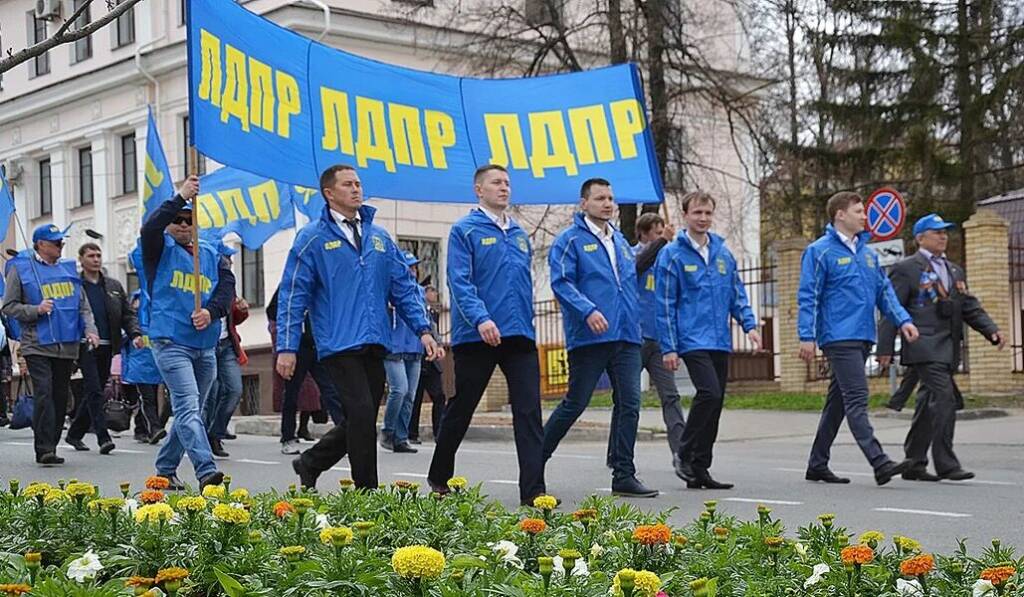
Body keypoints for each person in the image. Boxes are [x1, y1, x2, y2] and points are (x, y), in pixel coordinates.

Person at [278, 164, 441, 490]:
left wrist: (424, 330)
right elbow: (293, 295)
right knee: (362, 413)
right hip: (338, 343)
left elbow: (403, 288)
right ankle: (367, 491)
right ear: (329, 193)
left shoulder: (379, 237)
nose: (356, 189)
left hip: (376, 340)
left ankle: (310, 462)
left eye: (358, 183)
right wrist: (287, 347)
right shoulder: (312, 238)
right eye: (348, 184)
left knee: (360, 418)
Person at [426, 164, 547, 505]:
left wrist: (527, 321)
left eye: (507, 182)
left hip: (519, 335)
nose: (504, 187)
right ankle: (439, 476)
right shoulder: (464, 230)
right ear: (479, 190)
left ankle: (534, 491)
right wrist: (481, 318)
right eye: (496, 182)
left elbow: (522, 284)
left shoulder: (519, 234)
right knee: (462, 407)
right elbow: (459, 281)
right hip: (477, 335)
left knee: (529, 411)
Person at [543, 178, 658, 498]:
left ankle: (624, 474)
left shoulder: (619, 241)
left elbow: (628, 284)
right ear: (584, 204)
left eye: (610, 198)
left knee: (630, 403)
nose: (607, 203)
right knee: (575, 404)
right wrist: (587, 310)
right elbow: (562, 283)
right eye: (599, 198)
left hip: (626, 336)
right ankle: (534, 462)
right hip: (590, 337)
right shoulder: (570, 240)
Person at [798, 191, 919, 486]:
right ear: (840, 215)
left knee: (838, 403)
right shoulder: (819, 251)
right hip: (838, 336)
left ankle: (817, 464)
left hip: (863, 335)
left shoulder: (867, 254)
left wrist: (903, 320)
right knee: (856, 397)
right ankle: (879, 462)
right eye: (859, 211)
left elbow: (884, 293)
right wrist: (806, 336)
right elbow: (808, 295)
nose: (865, 216)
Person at [877, 213, 1003, 482]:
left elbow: (968, 306)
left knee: (927, 403)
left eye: (945, 231)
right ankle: (946, 464)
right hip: (922, 345)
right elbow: (891, 308)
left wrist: (991, 330)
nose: (943, 236)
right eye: (937, 232)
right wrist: (884, 347)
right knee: (945, 398)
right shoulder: (906, 268)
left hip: (947, 347)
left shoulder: (954, 270)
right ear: (920, 238)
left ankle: (914, 463)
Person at [656, 192, 762, 490]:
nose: (703, 218)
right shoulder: (672, 255)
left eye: (707, 213)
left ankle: (700, 468)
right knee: (709, 393)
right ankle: (684, 452)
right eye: (697, 213)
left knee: (716, 404)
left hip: (719, 340)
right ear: (685, 215)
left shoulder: (723, 254)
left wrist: (750, 326)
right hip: (691, 339)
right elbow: (665, 304)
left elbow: (736, 295)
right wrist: (669, 347)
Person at [141, 175, 234, 490]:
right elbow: (150, 228)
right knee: (188, 407)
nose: (183, 225)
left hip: (205, 346)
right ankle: (206, 470)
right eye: (177, 220)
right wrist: (181, 196)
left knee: (190, 413)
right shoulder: (157, 248)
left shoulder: (209, 254)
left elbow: (226, 288)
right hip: (171, 343)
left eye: (189, 220)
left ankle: (165, 470)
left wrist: (211, 312)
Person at [2, 223, 99, 465]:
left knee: (59, 396)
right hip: (36, 344)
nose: (61, 245)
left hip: (66, 345)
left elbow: (83, 306)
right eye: (56, 242)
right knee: (44, 392)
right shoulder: (22, 270)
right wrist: (36, 309)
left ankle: (52, 444)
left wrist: (90, 330)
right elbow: (9, 306)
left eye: (62, 241)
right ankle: (44, 448)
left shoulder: (68, 270)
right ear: (41, 244)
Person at [616, 212, 686, 470]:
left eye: (662, 233)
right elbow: (637, 266)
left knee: (671, 396)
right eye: (656, 233)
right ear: (644, 234)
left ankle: (681, 453)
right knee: (626, 400)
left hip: (659, 341)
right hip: (635, 339)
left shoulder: (667, 260)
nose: (661, 237)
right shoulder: (631, 254)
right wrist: (661, 242)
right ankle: (616, 453)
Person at [65, 242, 142, 453]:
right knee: (94, 390)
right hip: (85, 344)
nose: (96, 259)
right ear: (81, 260)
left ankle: (74, 433)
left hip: (108, 344)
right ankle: (103, 437)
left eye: (98, 255)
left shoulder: (113, 286)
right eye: (91, 255)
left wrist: (135, 334)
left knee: (95, 390)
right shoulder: (75, 285)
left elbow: (127, 314)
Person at [266, 286, 344, 455]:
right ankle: (288, 437)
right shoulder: (292, 285)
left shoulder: (324, 285)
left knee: (331, 390)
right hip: (297, 347)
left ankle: (345, 435)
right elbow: (272, 311)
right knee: (292, 392)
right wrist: (287, 334)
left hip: (319, 345)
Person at [380, 251, 428, 454]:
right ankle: (388, 430)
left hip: (414, 347)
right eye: (409, 267)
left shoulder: (419, 291)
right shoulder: (389, 289)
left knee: (410, 395)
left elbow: (425, 318)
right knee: (399, 389)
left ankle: (401, 438)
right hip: (393, 346)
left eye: (415, 267)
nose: (412, 271)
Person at [203, 283, 249, 459]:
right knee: (210, 394)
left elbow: (231, 318)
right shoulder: (202, 279)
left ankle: (216, 433)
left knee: (234, 390)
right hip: (206, 344)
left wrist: (241, 310)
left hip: (226, 345)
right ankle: (203, 440)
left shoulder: (227, 283)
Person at [120, 290, 166, 443]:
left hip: (155, 363)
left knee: (152, 398)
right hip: (140, 364)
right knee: (147, 397)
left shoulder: (159, 321)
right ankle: (154, 428)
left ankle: (143, 429)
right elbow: (123, 338)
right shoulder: (133, 323)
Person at [409, 285, 446, 444]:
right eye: (432, 292)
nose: (435, 295)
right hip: (417, 356)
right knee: (415, 398)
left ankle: (439, 432)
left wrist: (439, 345)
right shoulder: (413, 310)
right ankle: (412, 433)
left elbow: (434, 330)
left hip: (432, 360)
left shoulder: (431, 312)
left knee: (439, 396)